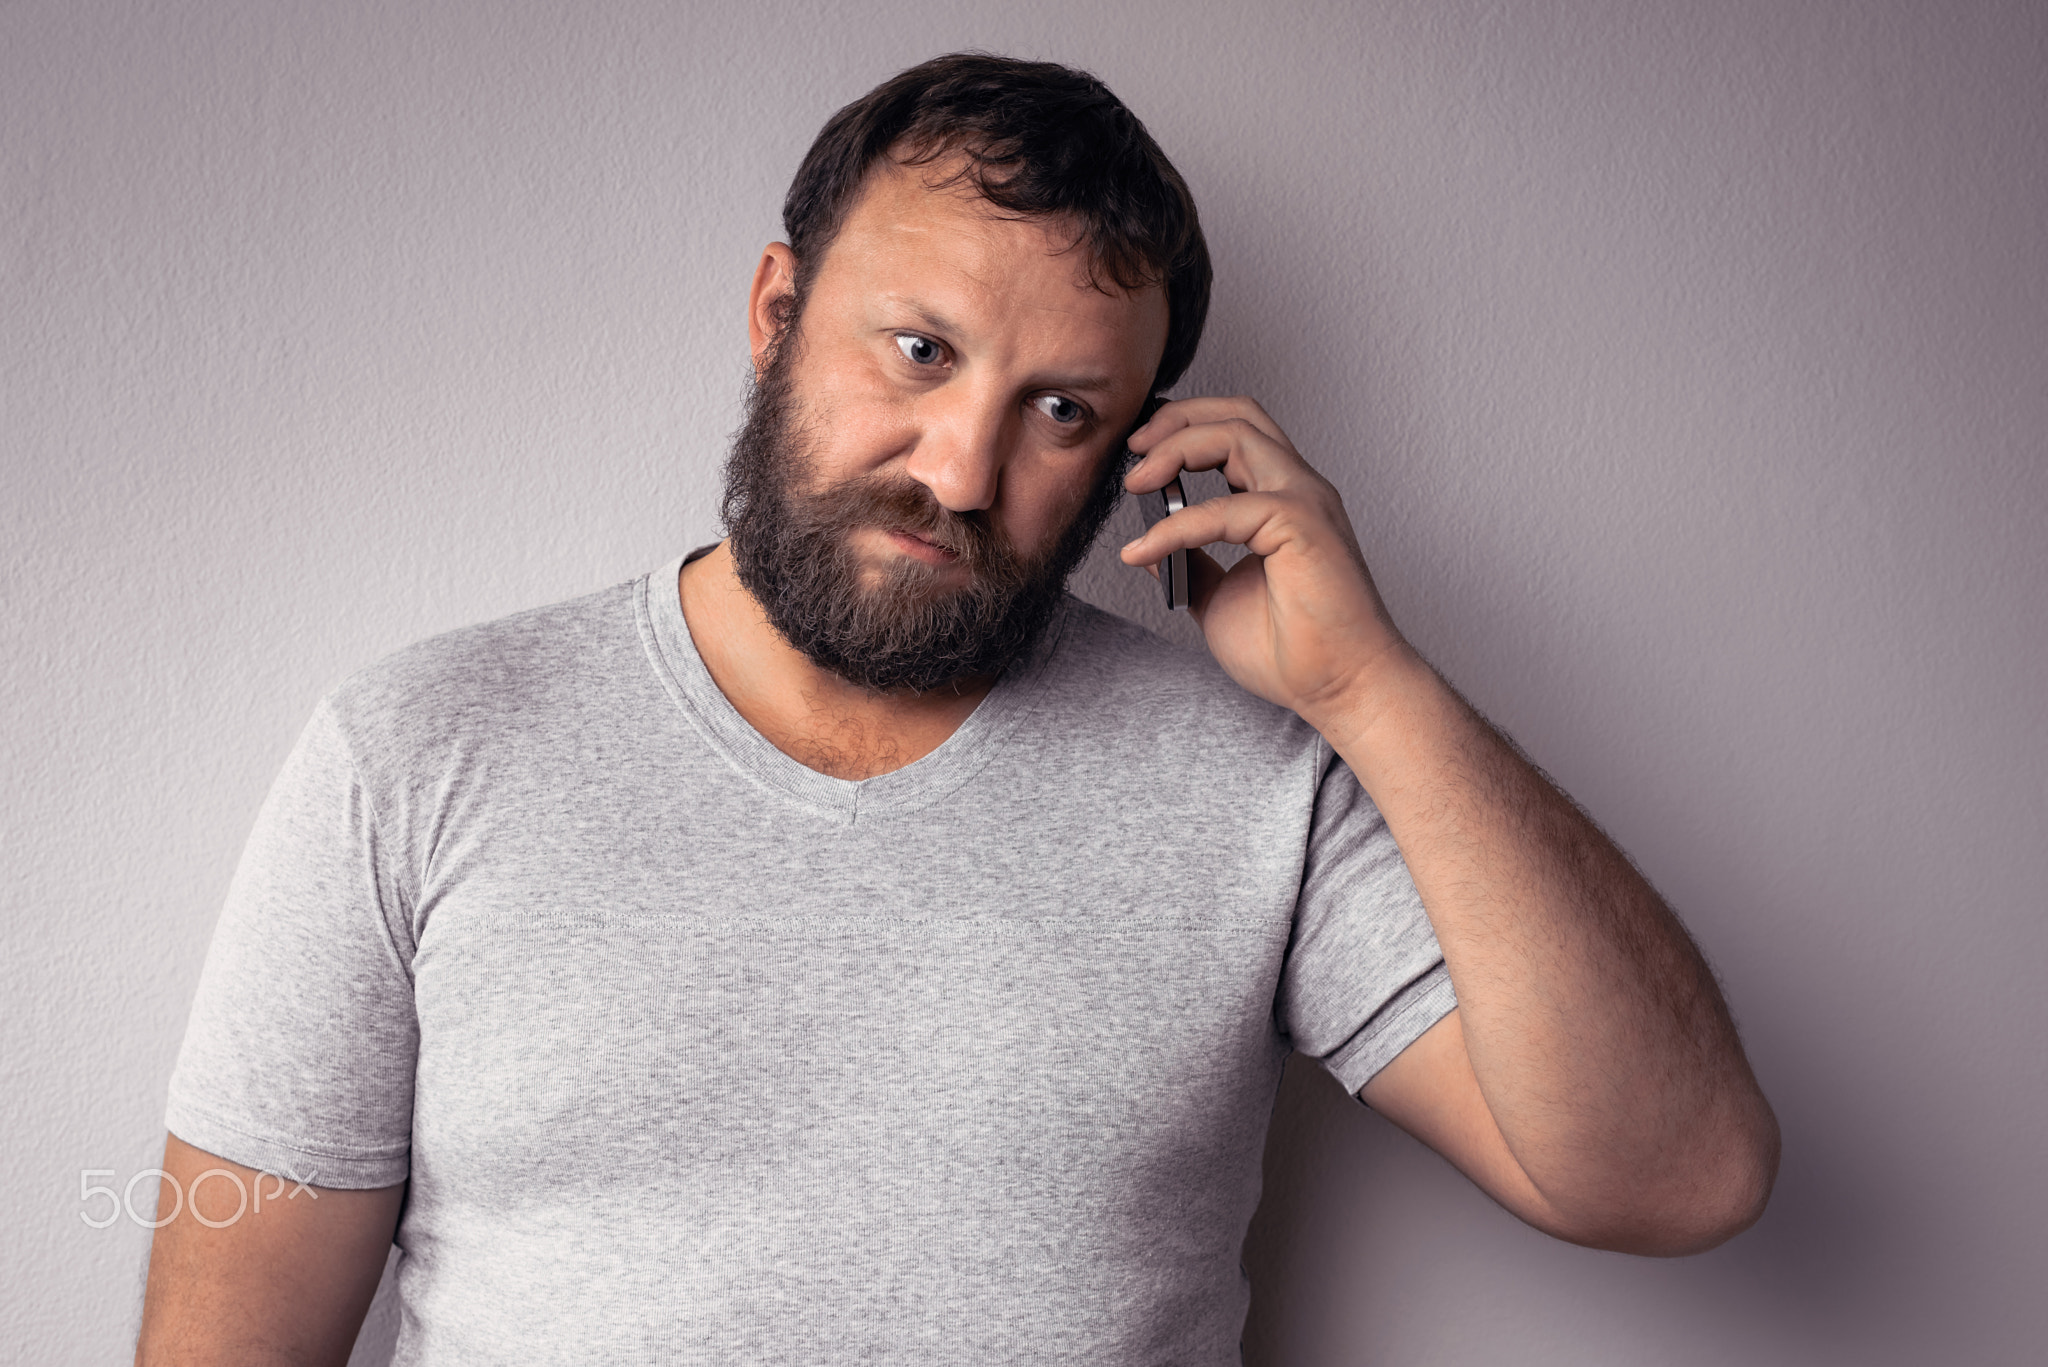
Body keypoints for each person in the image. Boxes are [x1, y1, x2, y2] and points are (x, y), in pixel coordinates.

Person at [137, 53, 1778, 1366]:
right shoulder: (422, 748)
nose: (960, 471)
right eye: (918, 352)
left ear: (1141, 441)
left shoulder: (1258, 781)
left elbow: (1674, 1179)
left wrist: (1371, 688)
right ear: (779, 316)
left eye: (1059, 408)